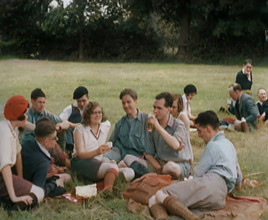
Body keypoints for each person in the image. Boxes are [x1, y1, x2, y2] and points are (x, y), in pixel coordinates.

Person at [149, 111, 242, 220]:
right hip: (220, 198)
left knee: (159, 195)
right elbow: (238, 176)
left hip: (210, 185)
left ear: (208, 129)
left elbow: (197, 175)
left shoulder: (212, 146)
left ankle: (189, 217)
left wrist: (184, 184)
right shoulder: (229, 144)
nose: (198, 135)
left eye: (199, 131)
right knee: (169, 201)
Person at [0, 95, 44, 210]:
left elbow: (18, 153)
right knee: (39, 193)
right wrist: (14, 196)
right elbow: (5, 167)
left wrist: (20, 178)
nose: (27, 116)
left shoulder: (10, 126)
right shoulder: (5, 133)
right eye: (26, 114)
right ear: (19, 116)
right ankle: (12, 206)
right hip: (2, 176)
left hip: (7, 172)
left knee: (31, 183)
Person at [71, 102, 119, 192]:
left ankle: (97, 185)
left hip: (98, 160)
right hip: (81, 161)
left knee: (128, 172)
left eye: (99, 112)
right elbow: (80, 154)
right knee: (112, 168)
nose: (98, 115)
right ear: (88, 115)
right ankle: (108, 190)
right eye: (94, 113)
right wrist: (97, 152)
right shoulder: (80, 130)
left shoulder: (105, 126)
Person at [20, 88, 70, 168]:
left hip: (45, 143)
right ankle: (63, 165)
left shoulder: (46, 114)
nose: (42, 105)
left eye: (44, 102)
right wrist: (40, 129)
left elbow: (65, 122)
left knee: (57, 137)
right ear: (32, 101)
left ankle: (65, 163)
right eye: (39, 102)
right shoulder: (26, 114)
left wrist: (59, 126)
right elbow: (22, 123)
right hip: (30, 145)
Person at [21, 118, 71, 198]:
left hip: (21, 178)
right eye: (55, 138)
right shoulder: (43, 162)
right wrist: (54, 184)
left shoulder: (28, 143)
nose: (56, 141)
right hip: (28, 186)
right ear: (46, 141)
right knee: (66, 178)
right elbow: (38, 190)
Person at [103, 88, 152, 162]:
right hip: (120, 152)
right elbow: (111, 142)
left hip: (138, 157)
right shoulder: (120, 123)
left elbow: (152, 144)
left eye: (129, 102)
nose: (126, 105)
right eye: (123, 103)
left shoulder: (146, 120)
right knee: (104, 159)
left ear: (135, 101)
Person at [59, 86, 89, 156]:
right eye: (79, 101)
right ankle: (69, 151)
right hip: (73, 137)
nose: (82, 104)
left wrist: (73, 125)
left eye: (84, 101)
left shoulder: (92, 109)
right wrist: (68, 124)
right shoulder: (70, 109)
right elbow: (60, 120)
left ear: (88, 98)